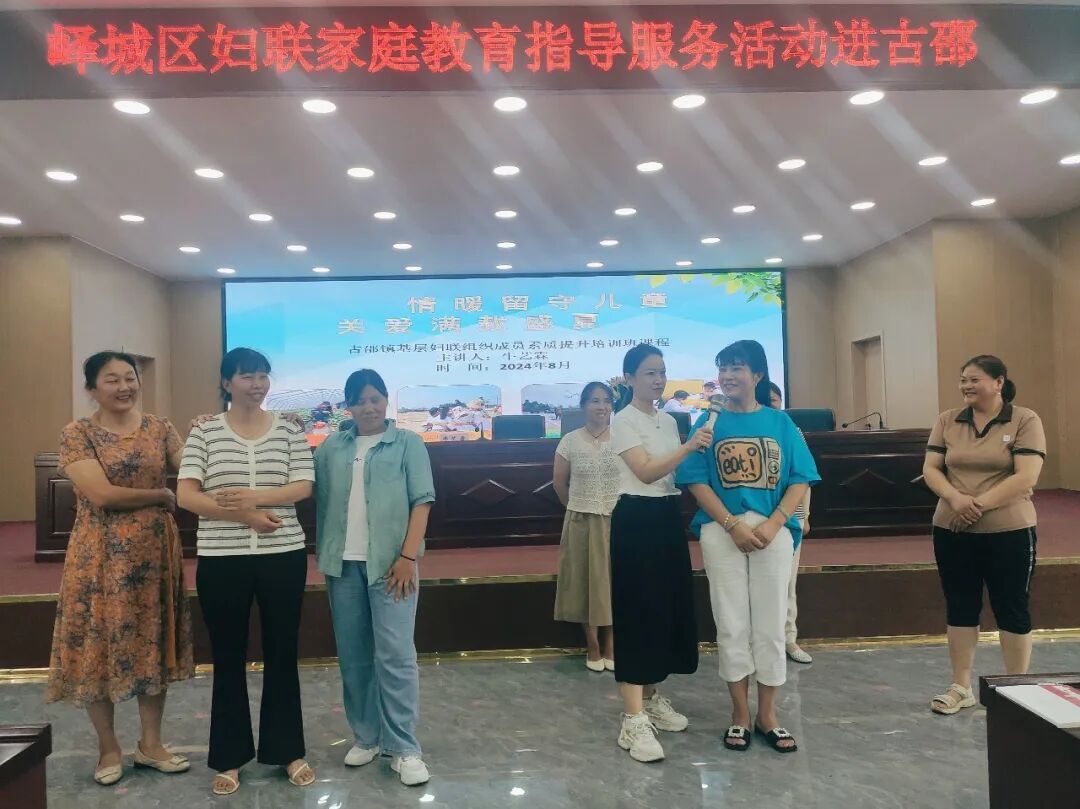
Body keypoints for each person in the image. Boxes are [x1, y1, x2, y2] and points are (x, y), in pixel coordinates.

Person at [46, 351, 194, 786]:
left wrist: (215, 434)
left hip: (153, 556)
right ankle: (108, 748)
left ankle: (151, 744)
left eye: (130, 377)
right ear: (92, 389)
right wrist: (161, 496)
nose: (125, 387)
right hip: (99, 558)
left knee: (152, 642)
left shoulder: (160, 427)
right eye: (112, 380)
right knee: (98, 646)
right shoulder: (77, 433)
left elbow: (193, 468)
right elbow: (102, 495)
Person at [177, 348, 315, 795]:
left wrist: (255, 498)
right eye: (247, 376)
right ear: (226, 383)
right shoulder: (204, 432)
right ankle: (229, 757)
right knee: (228, 657)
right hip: (222, 559)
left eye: (263, 376)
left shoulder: (289, 430)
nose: (257, 384)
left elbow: (303, 486)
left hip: (283, 556)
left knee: (283, 653)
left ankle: (288, 750)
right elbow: (187, 495)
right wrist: (243, 516)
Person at [677, 340, 819, 754]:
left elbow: (801, 477)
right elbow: (695, 479)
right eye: (723, 368)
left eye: (736, 367)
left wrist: (775, 523)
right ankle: (739, 713)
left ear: (757, 375)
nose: (727, 375)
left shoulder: (780, 422)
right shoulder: (708, 421)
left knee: (771, 623)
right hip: (722, 531)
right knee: (731, 622)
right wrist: (731, 524)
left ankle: (768, 715)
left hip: (773, 532)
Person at [314, 369, 436, 787]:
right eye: (359, 401)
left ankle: (404, 747)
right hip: (342, 566)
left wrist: (407, 557)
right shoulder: (331, 447)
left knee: (396, 657)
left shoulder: (407, 443)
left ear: (386, 400)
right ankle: (366, 737)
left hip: (391, 566)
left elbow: (422, 502)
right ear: (348, 406)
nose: (368, 407)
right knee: (354, 658)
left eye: (375, 399)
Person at [923, 355, 1045, 715]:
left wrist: (975, 505)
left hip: (1010, 530)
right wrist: (955, 499)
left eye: (974, 379)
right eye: (963, 379)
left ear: (998, 382)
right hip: (952, 529)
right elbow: (931, 469)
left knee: (1011, 606)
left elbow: (1026, 476)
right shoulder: (947, 420)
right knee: (960, 605)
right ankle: (961, 686)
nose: (966, 386)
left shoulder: (1024, 419)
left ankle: (1017, 688)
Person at [608, 344, 713, 763]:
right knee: (637, 612)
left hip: (668, 515)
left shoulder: (668, 420)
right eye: (650, 372)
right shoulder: (622, 421)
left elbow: (673, 473)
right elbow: (646, 471)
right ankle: (632, 719)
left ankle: (652, 699)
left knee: (663, 608)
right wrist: (688, 448)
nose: (658, 380)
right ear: (629, 378)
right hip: (636, 518)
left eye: (662, 372)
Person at [552, 382, 619, 672]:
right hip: (581, 520)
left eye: (606, 401)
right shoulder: (570, 440)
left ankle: (611, 646)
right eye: (594, 401)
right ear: (583, 406)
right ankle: (592, 646)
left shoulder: (622, 438)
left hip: (617, 520)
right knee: (585, 583)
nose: (601, 406)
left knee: (615, 584)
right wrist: (577, 505)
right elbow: (559, 483)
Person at [767, 381, 814, 665]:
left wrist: (803, 516)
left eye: (775, 399)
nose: (771, 404)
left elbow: (803, 477)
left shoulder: (791, 430)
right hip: (751, 522)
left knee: (787, 583)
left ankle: (789, 638)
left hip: (788, 522)